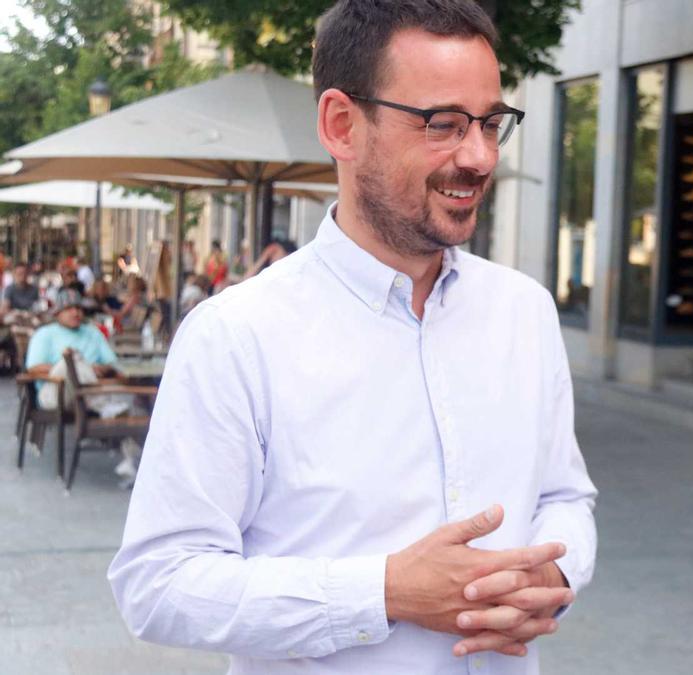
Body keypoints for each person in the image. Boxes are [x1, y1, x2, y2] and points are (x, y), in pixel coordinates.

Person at [109, 1, 597, 673]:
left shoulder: (526, 311)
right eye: (443, 124)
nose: (479, 156)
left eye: (490, 123)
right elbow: (158, 583)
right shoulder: (237, 336)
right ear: (342, 125)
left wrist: (555, 576)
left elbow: (563, 497)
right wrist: (383, 592)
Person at [25, 288, 118, 382]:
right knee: (68, 363)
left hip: (95, 388)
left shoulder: (93, 332)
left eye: (78, 308)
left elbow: (112, 363)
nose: (75, 313)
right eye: (68, 308)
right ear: (57, 313)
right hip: (57, 390)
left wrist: (102, 369)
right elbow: (33, 368)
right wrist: (80, 370)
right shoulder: (44, 334)